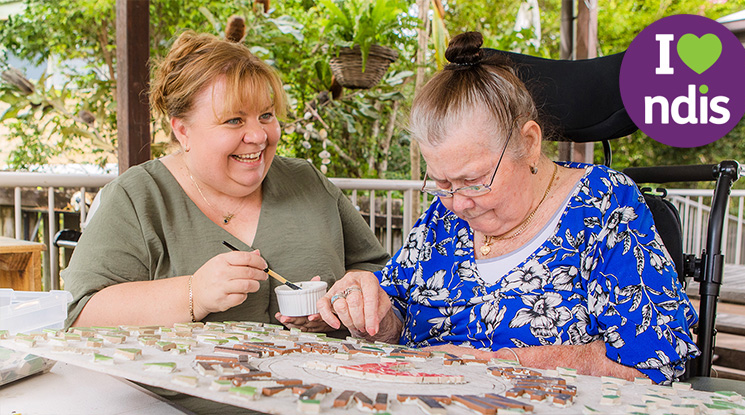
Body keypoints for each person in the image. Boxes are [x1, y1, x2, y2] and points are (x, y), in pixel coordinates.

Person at [318, 31, 699, 384]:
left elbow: (657, 356)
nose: (459, 203)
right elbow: (395, 320)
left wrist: (501, 362)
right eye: (442, 183)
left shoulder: (602, 204)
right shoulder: (440, 218)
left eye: (474, 180)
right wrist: (372, 311)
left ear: (529, 143)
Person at [62, 30, 389, 333]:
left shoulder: (307, 181)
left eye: (266, 115)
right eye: (234, 120)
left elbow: (378, 276)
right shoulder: (137, 198)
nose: (259, 136)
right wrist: (194, 294)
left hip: (321, 392)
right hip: (171, 398)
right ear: (183, 131)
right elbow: (81, 317)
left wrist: (343, 307)